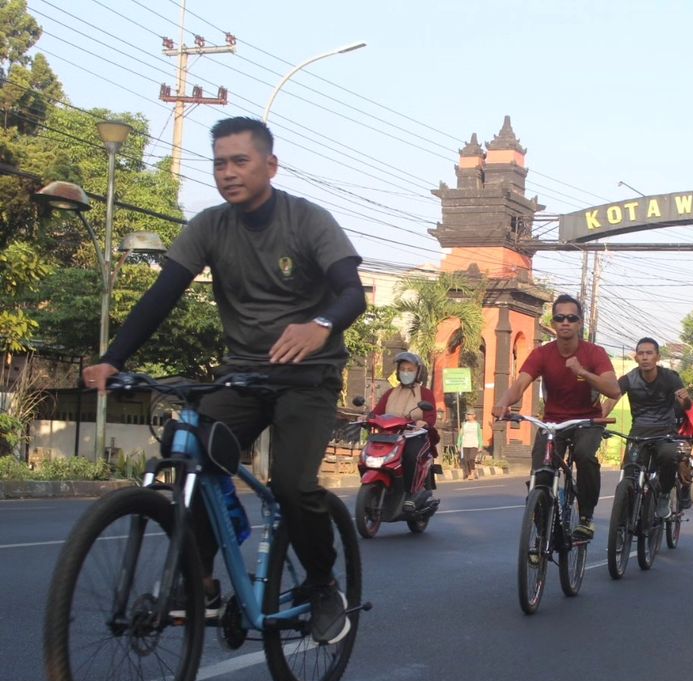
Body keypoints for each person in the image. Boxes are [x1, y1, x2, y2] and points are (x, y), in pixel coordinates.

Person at [81, 117, 366, 644]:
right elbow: (162, 295)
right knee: (189, 450)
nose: (228, 173)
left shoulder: (307, 221)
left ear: (270, 165)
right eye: (219, 163)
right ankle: (204, 579)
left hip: (309, 378)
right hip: (243, 377)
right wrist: (112, 358)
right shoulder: (209, 226)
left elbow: (353, 292)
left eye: (240, 161)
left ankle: (323, 585)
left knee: (292, 484)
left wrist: (319, 325)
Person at [491, 294, 620, 539]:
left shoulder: (595, 353)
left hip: (586, 421)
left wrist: (582, 372)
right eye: (560, 318)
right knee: (540, 472)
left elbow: (613, 389)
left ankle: (585, 517)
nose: (565, 322)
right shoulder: (542, 354)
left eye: (571, 318)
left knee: (584, 456)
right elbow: (520, 385)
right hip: (553, 423)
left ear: (579, 323)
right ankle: (542, 534)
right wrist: (502, 402)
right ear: (553, 322)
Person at [600, 337, 693, 518]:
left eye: (649, 353)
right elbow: (610, 401)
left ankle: (664, 495)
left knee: (669, 457)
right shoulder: (628, 379)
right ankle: (626, 512)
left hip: (665, 432)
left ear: (657, 357)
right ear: (636, 358)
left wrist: (685, 400)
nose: (645, 357)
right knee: (629, 472)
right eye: (641, 353)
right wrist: (597, 421)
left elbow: (686, 406)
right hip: (638, 433)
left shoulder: (670, 378)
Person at [370, 351, 438, 496]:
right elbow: (377, 412)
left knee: (410, 457)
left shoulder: (425, 393)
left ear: (418, 372)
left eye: (410, 370)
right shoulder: (390, 393)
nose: (405, 373)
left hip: (415, 436)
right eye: (402, 369)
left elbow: (431, 416)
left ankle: (409, 493)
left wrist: (424, 422)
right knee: (371, 455)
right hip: (390, 437)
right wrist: (366, 418)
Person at [457, 408, 483, 480]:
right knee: (466, 459)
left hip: (474, 444)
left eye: (470, 414)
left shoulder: (477, 425)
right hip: (465, 444)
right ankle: (470, 473)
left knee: (471, 458)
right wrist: (458, 445)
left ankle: (471, 473)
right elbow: (460, 435)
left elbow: (480, 436)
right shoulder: (464, 424)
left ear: (474, 415)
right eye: (467, 414)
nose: (468, 416)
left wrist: (480, 446)